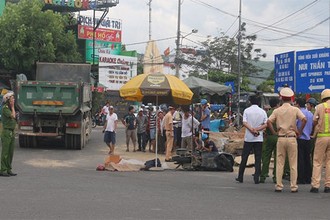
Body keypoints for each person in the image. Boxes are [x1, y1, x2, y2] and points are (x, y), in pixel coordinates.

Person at [267, 87, 306, 193]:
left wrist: (275, 132)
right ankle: (293, 186)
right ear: (292, 98)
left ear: (281, 98)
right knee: (293, 163)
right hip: (292, 138)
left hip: (280, 138)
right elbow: (304, 119)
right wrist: (299, 131)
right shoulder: (295, 109)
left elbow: (269, 122)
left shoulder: (277, 110)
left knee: (280, 162)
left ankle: (279, 185)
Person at [236, 95, 268, 184]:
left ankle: (240, 176)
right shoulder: (262, 112)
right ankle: (256, 177)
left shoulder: (247, 110)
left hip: (249, 138)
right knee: (258, 158)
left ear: (250, 102)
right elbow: (266, 124)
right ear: (259, 102)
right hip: (259, 138)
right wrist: (257, 130)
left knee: (244, 157)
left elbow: (244, 122)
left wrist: (251, 129)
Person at [310, 89, 330, 193]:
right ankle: (328, 185)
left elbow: (314, 121)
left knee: (317, 161)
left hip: (321, 137)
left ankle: (315, 185)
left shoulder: (320, 107)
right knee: (329, 162)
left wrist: (313, 132)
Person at [260, 97, 280, 183]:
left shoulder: (267, 113)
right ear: (278, 104)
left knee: (266, 157)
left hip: (268, 137)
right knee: (277, 158)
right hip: (278, 137)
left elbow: (264, 124)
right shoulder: (279, 113)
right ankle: (276, 177)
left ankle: (263, 176)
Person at [295, 98, 313, 184]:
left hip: (300, 138)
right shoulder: (310, 114)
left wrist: (299, 132)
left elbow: (295, 125)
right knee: (307, 159)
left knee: (300, 159)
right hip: (308, 139)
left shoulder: (298, 114)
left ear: (297, 104)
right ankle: (308, 178)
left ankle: (301, 178)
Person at [1, 92, 17, 177]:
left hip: (11, 131)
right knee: (5, 152)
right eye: (12, 98)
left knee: (10, 152)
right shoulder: (5, 108)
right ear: (8, 100)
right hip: (6, 132)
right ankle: (3, 170)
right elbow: (13, 116)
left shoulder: (9, 108)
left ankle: (8, 169)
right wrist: (13, 107)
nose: (13, 100)